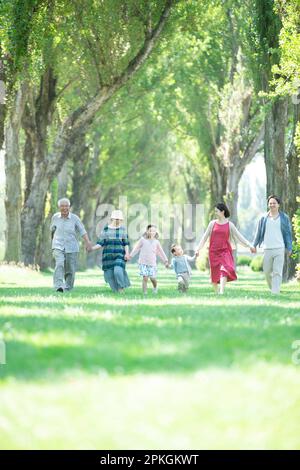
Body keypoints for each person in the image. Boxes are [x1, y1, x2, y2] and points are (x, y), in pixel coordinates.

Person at [195, 202, 255, 294]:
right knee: (214, 273)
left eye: (216, 211)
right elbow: (204, 237)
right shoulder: (212, 224)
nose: (215, 213)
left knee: (225, 269)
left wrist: (249, 245)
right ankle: (216, 292)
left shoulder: (229, 224)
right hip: (213, 252)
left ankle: (222, 291)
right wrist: (198, 249)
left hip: (225, 251)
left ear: (222, 211)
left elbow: (239, 236)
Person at [252, 195, 293, 294]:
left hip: (279, 248)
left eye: (274, 203)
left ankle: (275, 292)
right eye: (270, 203)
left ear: (278, 205)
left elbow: (288, 234)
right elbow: (258, 233)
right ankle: (273, 288)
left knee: (277, 272)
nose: (272, 205)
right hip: (267, 249)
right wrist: (254, 245)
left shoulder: (284, 218)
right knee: (266, 272)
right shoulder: (263, 218)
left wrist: (289, 247)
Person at [50, 198, 92, 292]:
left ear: (69, 207)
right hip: (58, 245)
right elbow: (52, 230)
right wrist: (52, 243)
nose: (64, 208)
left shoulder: (75, 218)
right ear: (59, 207)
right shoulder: (55, 217)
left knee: (70, 269)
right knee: (60, 263)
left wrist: (87, 242)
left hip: (72, 247)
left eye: (66, 206)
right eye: (62, 206)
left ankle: (68, 287)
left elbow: (82, 230)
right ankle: (58, 286)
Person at [89, 209, 130, 293]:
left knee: (118, 271)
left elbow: (126, 243)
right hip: (108, 256)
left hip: (119, 255)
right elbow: (100, 243)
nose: (118, 221)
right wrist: (92, 248)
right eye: (116, 219)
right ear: (112, 219)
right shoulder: (106, 230)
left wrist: (127, 253)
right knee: (110, 275)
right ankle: (116, 289)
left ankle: (121, 287)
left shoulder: (122, 229)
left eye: (120, 219)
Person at [129, 224, 169, 295]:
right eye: (150, 230)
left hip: (152, 263)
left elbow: (160, 252)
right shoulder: (142, 240)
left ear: (156, 232)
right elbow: (136, 248)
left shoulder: (156, 242)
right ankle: (145, 293)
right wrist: (131, 256)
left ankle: (155, 287)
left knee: (152, 278)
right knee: (145, 278)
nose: (152, 232)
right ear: (147, 231)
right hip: (143, 262)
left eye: (154, 231)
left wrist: (165, 260)